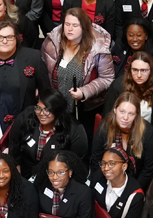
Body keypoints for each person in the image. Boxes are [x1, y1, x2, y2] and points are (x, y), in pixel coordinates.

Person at [40, 7, 114, 140]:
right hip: (55, 106)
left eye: (75, 25)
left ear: (84, 28)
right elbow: (42, 67)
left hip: (84, 108)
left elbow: (107, 78)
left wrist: (84, 91)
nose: (69, 29)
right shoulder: (52, 41)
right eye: (67, 24)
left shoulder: (98, 47)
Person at [8, 89, 88, 181]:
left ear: (57, 110)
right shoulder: (27, 117)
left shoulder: (74, 130)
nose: (42, 114)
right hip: (26, 174)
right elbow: (14, 146)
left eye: (47, 110)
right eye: (38, 108)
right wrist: (17, 177)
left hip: (56, 180)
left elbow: (78, 166)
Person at [90, 92, 153, 189]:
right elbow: (96, 160)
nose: (125, 118)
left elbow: (148, 170)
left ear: (136, 115)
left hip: (136, 182)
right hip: (106, 179)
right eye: (122, 111)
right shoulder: (105, 127)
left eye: (131, 113)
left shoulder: (148, 133)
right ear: (115, 110)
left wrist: (131, 190)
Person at [103, 51, 153, 133]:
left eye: (143, 70)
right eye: (135, 70)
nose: (139, 75)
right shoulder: (118, 86)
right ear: (130, 70)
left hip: (150, 134)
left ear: (151, 70)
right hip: (122, 134)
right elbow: (108, 117)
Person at [110, 17, 153, 82]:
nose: (135, 39)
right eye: (131, 35)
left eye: (139, 35)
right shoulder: (119, 47)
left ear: (146, 36)